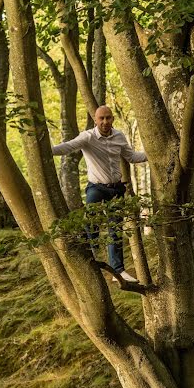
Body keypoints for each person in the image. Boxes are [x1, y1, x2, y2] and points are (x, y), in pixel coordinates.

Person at [52, 105, 147, 283]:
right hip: (96, 187)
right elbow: (68, 147)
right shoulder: (87, 137)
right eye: (101, 118)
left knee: (115, 230)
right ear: (95, 120)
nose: (105, 122)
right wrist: (46, 150)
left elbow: (132, 157)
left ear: (112, 119)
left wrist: (151, 154)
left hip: (117, 188)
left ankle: (117, 271)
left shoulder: (119, 136)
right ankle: (87, 256)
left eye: (108, 118)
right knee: (91, 223)